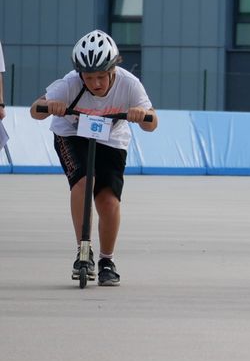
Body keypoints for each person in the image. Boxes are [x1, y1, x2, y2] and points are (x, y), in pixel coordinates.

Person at [31, 30, 159, 286]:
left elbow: (152, 122)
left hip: (111, 138)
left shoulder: (129, 83)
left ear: (113, 69)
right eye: (89, 78)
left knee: (108, 201)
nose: (96, 83)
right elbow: (35, 110)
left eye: (101, 76)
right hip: (71, 133)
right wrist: (51, 106)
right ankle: (83, 252)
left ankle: (107, 261)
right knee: (83, 182)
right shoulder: (70, 83)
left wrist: (140, 114)